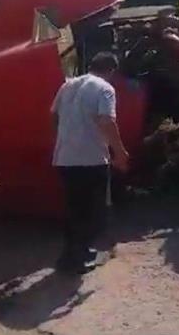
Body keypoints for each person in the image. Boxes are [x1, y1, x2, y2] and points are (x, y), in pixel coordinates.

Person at [50, 51, 129, 274]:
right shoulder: (105, 89)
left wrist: (63, 139)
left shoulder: (67, 85)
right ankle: (77, 260)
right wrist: (120, 152)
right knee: (92, 211)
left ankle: (71, 255)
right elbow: (107, 121)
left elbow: (54, 115)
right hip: (91, 160)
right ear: (111, 70)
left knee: (74, 209)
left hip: (65, 159)